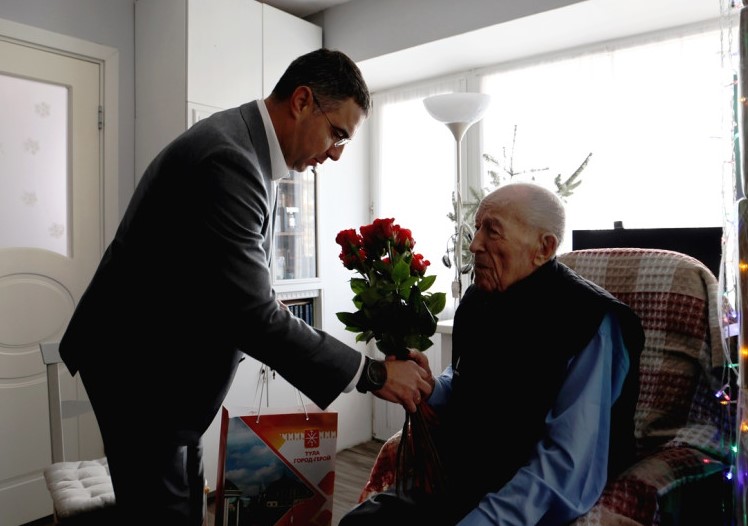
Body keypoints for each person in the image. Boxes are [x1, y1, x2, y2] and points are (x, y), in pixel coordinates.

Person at [58, 48, 432, 526]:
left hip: (164, 373)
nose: (337, 153)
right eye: (338, 133)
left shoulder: (248, 150)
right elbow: (252, 313)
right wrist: (373, 374)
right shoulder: (230, 159)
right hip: (142, 374)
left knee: (185, 506)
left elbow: (225, 284)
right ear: (302, 101)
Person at [341, 182, 645, 526]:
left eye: (492, 231)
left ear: (544, 248)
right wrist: (432, 388)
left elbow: (564, 465)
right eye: (477, 229)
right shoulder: (478, 299)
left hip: (523, 502)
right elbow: (466, 382)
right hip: (461, 483)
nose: (474, 244)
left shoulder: (590, 321)